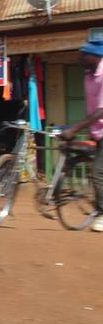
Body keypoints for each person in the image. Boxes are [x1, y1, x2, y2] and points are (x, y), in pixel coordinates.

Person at [60, 40, 103, 232]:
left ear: (95, 56)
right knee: (73, 152)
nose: (79, 58)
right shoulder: (87, 76)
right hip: (97, 131)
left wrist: (75, 128)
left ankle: (102, 214)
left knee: (98, 173)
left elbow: (101, 111)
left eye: (83, 54)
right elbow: (91, 110)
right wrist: (72, 128)